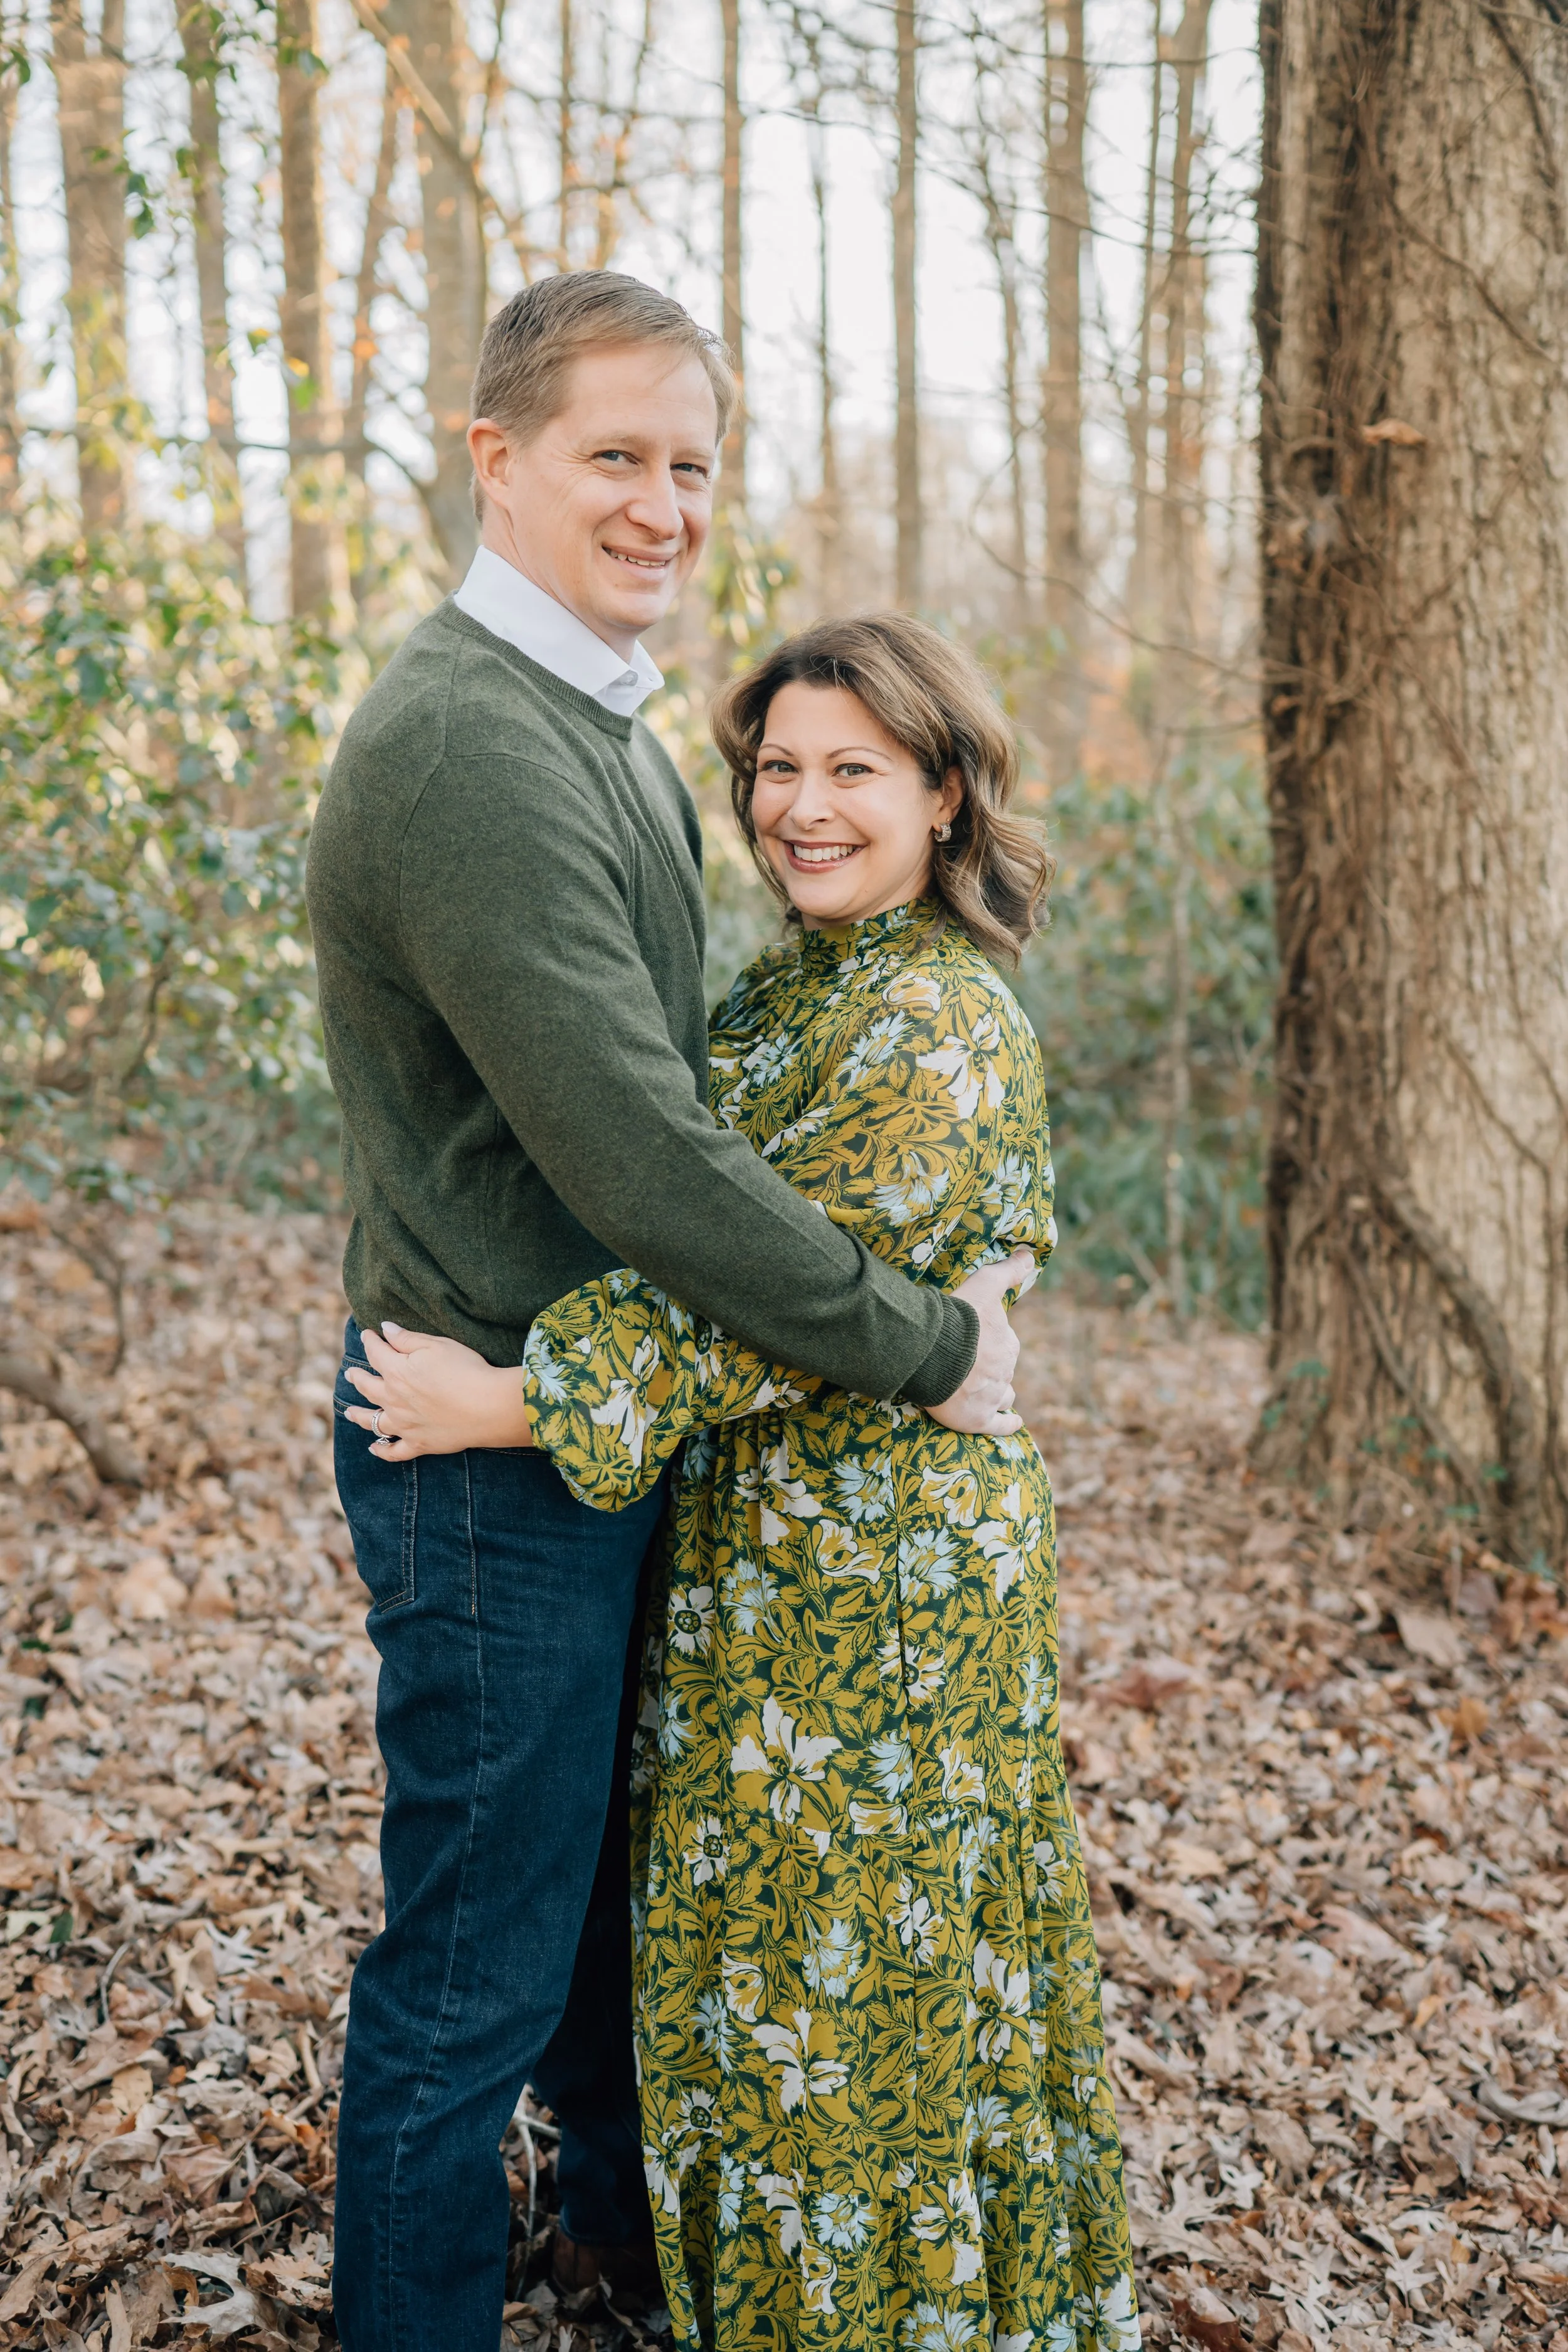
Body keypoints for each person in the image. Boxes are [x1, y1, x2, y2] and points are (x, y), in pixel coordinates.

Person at [305, 273, 1027, 2352]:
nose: (661, 505)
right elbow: (643, 1154)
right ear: (495, 456)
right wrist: (931, 1342)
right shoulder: (469, 744)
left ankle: (626, 2265)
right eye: (613, 454)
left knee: (597, 1915)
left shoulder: (595, 720)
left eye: (690, 463)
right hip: (490, 1443)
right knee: (475, 1966)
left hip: (600, 1408)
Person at [346, 614, 1138, 2352]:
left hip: (880, 1597)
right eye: (779, 767)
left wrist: (519, 1400)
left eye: (855, 769)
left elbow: (769, 1307)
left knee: (858, 2007)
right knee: (762, 1985)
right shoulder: (793, 984)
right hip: (764, 1571)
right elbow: (703, 1222)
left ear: (944, 793)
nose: (804, 805)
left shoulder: (936, 1020)